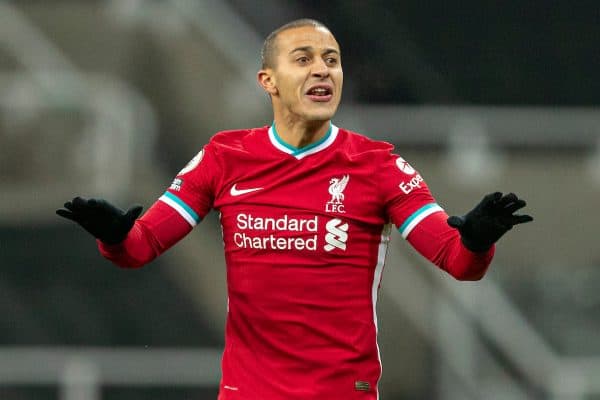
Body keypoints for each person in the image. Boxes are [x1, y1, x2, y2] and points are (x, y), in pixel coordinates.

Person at [57, 19, 532, 400]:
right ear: (269, 80)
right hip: (248, 394)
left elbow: (455, 260)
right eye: (303, 59)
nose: (322, 70)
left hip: (342, 393)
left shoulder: (377, 164)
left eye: (332, 60)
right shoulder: (225, 157)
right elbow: (140, 247)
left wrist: (476, 239)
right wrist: (115, 234)